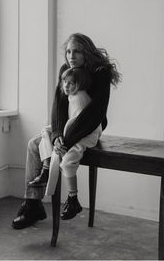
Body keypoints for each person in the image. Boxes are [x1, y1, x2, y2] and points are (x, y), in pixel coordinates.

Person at [12, 33, 121, 229]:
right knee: (33, 145)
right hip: (67, 128)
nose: (71, 56)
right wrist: (57, 138)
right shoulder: (66, 70)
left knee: (54, 150)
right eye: (69, 51)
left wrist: (67, 141)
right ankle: (33, 204)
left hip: (87, 129)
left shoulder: (100, 72)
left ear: (86, 52)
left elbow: (95, 113)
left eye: (77, 51)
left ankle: (58, 197)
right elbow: (58, 107)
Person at [29, 67, 102, 220]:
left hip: (85, 134)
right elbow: (65, 121)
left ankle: (73, 198)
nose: (67, 86)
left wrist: (63, 141)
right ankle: (46, 167)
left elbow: (77, 123)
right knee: (46, 131)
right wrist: (58, 136)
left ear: (80, 84)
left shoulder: (80, 98)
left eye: (72, 83)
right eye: (65, 82)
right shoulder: (70, 95)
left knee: (67, 162)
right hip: (72, 131)